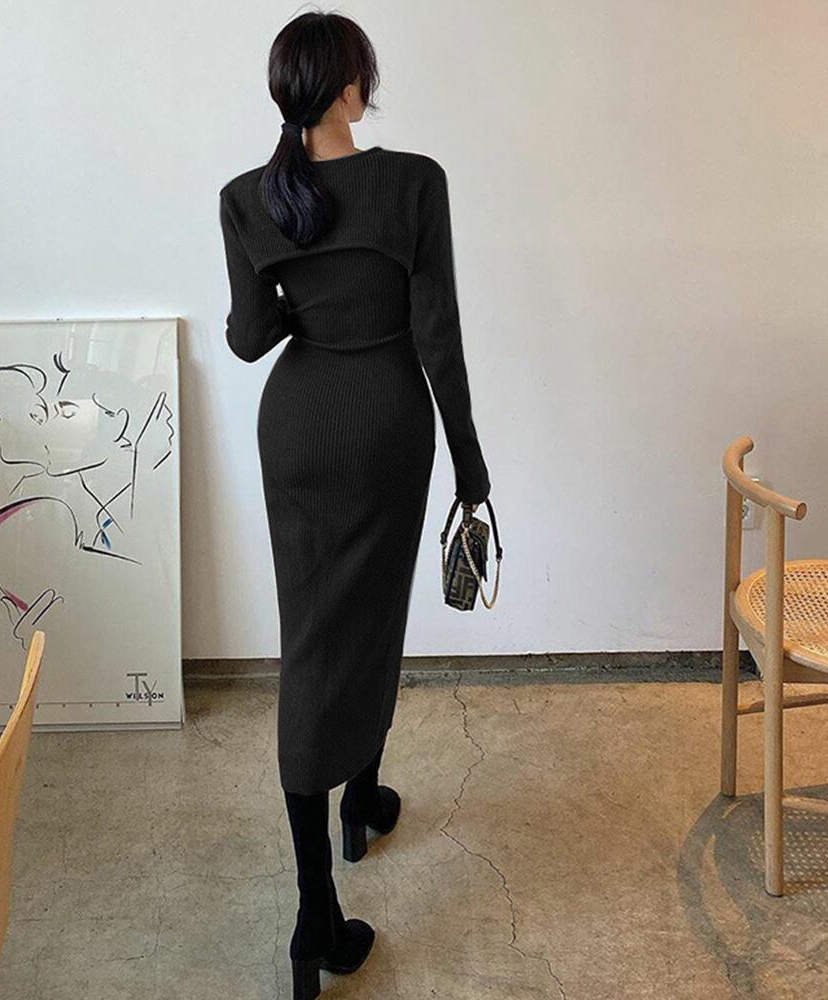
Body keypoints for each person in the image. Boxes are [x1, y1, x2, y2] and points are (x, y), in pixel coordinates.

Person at [217, 11, 490, 997]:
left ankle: (334, 861)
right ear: (347, 88)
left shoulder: (247, 198)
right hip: (385, 423)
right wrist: (471, 468)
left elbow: (250, 339)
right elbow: (437, 336)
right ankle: (338, 853)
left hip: (296, 426)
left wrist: (294, 295)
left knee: (312, 636)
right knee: (372, 613)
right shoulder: (414, 182)